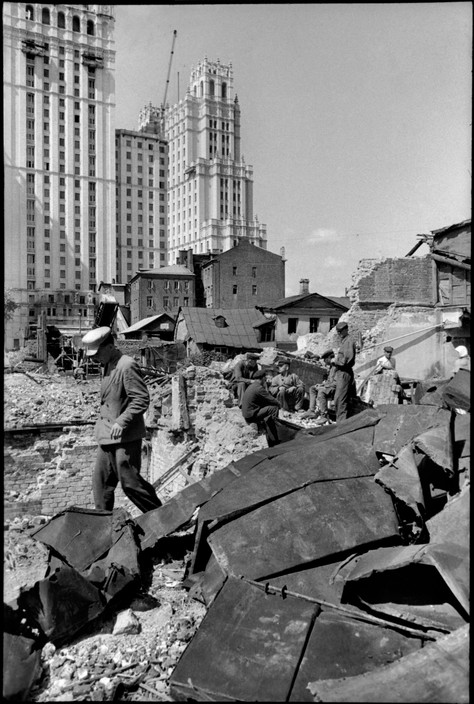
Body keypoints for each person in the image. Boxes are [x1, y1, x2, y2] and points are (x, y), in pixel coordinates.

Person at [81, 326, 162, 513]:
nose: (93, 358)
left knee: (130, 483)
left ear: (109, 346)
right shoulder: (107, 364)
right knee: (100, 485)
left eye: (96, 353)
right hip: (107, 435)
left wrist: (122, 421)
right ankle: (104, 529)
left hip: (125, 436)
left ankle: (162, 517)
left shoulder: (126, 365)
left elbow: (141, 399)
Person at [241, 369, 281, 447]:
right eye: (265, 379)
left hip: (247, 414)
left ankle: (264, 423)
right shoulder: (259, 388)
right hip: (251, 416)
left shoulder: (252, 386)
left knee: (266, 405)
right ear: (263, 378)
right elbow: (271, 399)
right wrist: (279, 404)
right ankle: (273, 430)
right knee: (274, 408)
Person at [301, 350, 336, 420]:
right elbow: (329, 381)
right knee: (312, 388)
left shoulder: (336, 368)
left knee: (321, 391)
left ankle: (324, 416)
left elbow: (335, 382)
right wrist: (321, 384)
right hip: (329, 386)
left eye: (325, 359)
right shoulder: (331, 368)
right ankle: (311, 410)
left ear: (329, 358)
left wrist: (323, 386)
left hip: (334, 388)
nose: (324, 361)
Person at [333, 321, 357, 422]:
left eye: (340, 332)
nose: (338, 334)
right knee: (342, 399)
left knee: (340, 399)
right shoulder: (345, 340)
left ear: (346, 330)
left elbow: (345, 361)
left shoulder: (348, 342)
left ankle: (341, 425)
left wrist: (334, 360)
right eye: (338, 332)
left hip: (344, 372)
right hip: (342, 372)